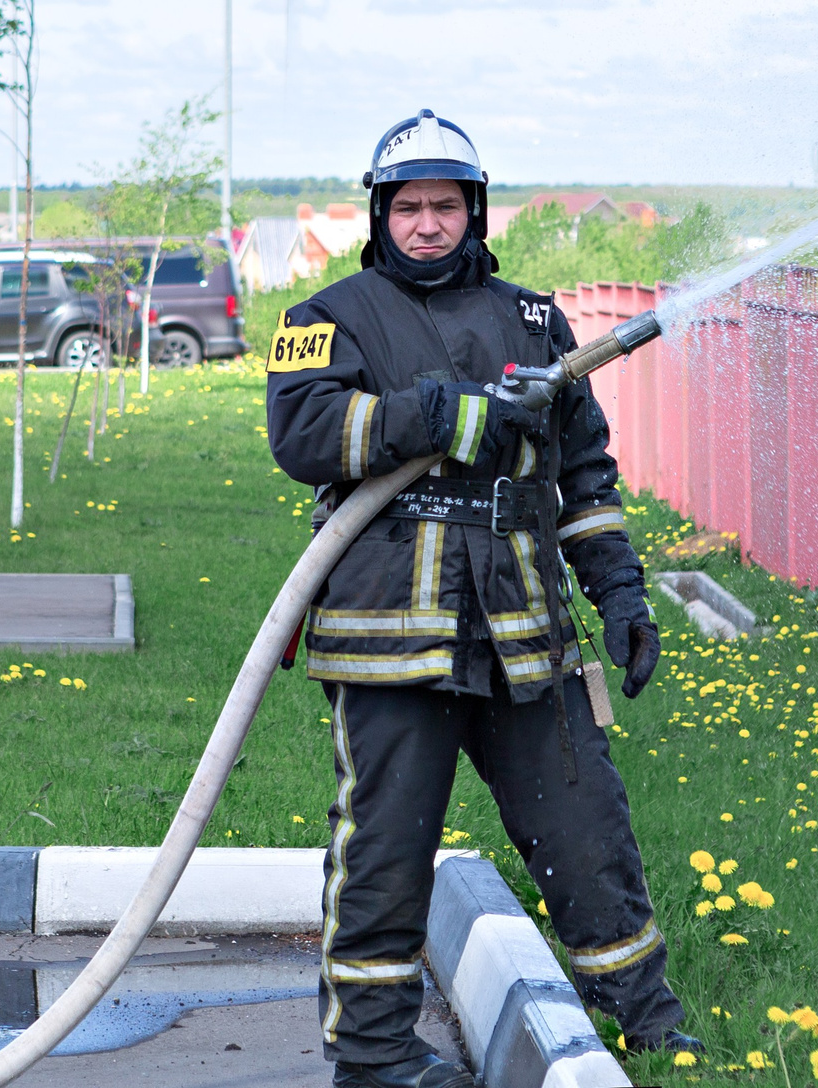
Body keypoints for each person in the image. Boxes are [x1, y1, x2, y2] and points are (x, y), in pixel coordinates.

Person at [265, 111, 701, 1088]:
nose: (428, 225)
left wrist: (621, 595)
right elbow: (301, 436)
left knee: (587, 830)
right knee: (386, 846)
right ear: (381, 215)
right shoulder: (327, 319)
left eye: (446, 206)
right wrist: (435, 413)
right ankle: (373, 1055)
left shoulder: (538, 324)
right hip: (388, 629)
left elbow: (583, 479)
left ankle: (647, 1025)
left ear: (476, 211)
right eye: (409, 208)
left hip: (522, 627)